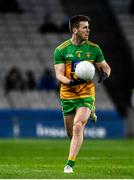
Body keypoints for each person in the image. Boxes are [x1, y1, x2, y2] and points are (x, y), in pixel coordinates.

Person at [53, 15, 111, 173]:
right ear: (74, 30)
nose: (88, 30)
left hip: (86, 93)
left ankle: (69, 165)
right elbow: (59, 74)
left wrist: (105, 74)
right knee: (71, 133)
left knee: (78, 126)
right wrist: (70, 82)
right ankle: (88, 115)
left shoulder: (94, 49)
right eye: (84, 27)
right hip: (68, 94)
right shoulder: (61, 50)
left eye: (88, 27)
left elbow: (106, 67)